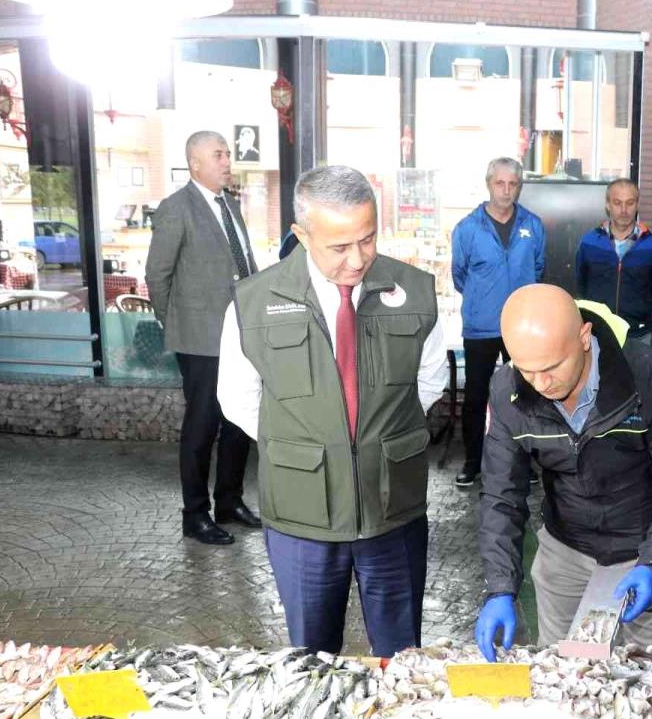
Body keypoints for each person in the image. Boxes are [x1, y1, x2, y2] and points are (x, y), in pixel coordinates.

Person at [217, 165, 448, 656]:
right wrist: (310, 444)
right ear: (302, 235)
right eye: (339, 247)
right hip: (303, 520)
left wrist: (379, 439)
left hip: (393, 510)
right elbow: (238, 399)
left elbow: (429, 382)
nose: (357, 259)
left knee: (401, 656)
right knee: (312, 656)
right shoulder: (254, 303)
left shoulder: (413, 292)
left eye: (367, 239)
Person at [473, 285, 652, 661]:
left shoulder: (646, 375)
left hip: (646, 544)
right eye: (527, 370)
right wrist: (500, 587)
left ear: (584, 338)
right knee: (561, 671)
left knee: (646, 675)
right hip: (566, 550)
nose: (541, 384)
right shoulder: (507, 391)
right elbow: (501, 495)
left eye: (552, 367)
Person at [145, 130, 260, 545]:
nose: (227, 161)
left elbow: (243, 266)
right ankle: (195, 515)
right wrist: (175, 323)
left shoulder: (230, 205)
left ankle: (229, 501)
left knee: (238, 420)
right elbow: (157, 275)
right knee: (202, 425)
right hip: (199, 340)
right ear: (195, 163)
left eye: (227, 154)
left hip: (238, 335)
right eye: (218, 155)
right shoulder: (177, 208)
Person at [451, 157, 546, 488]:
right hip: (481, 327)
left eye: (513, 184)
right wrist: (485, 299)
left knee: (526, 396)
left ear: (519, 187)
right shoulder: (467, 228)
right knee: (476, 397)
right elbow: (459, 275)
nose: (506, 190)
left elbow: (538, 268)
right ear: (489, 184)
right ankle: (472, 463)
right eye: (500, 183)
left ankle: (525, 462)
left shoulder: (533, 225)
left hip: (522, 326)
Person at [575, 178, 652, 343]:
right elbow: (580, 285)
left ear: (637, 205)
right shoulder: (589, 243)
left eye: (630, 203)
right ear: (607, 205)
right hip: (597, 333)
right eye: (617, 203)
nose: (624, 210)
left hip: (638, 335)